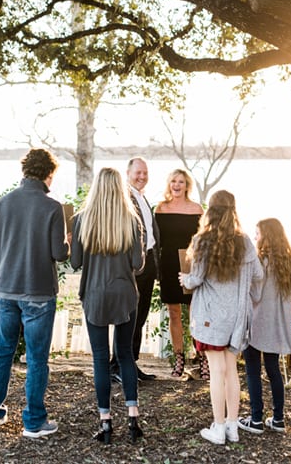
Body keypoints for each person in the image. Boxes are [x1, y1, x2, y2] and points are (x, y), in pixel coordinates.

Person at [0, 148, 68, 439]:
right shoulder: (53, 207)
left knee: (2, 353)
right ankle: (33, 422)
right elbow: (59, 253)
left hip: (5, 290)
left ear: (24, 171)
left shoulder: (1, 204)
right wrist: (66, 243)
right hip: (39, 292)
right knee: (36, 358)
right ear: (49, 174)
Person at [180, 190, 264, 445]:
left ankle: (218, 427)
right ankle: (232, 427)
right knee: (231, 372)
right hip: (237, 318)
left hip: (212, 318)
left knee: (217, 372)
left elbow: (196, 279)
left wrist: (185, 279)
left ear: (211, 210)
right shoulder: (246, 241)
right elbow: (258, 275)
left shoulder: (203, 240)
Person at [70, 167, 145, 444]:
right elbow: (138, 264)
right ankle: (133, 418)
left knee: (100, 358)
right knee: (125, 354)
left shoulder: (81, 220)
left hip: (95, 295)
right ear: (120, 189)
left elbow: (75, 262)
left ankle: (105, 423)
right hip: (125, 294)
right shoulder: (131, 219)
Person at [238, 218, 291, 435]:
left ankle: (255, 420)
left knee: (253, 371)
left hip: (256, 323)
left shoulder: (260, 260)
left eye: (257, 233)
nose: (255, 237)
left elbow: (255, 293)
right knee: (274, 371)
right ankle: (278, 419)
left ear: (266, 235)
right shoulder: (289, 261)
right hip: (276, 325)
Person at [110, 157, 159, 383]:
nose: (142, 177)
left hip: (148, 263)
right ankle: (118, 365)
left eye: (145, 173)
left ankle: (130, 363)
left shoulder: (142, 196)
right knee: (128, 316)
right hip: (132, 265)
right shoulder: (124, 197)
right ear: (127, 173)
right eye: (138, 173)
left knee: (140, 317)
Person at [154, 168, 205, 379]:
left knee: (196, 314)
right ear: (169, 184)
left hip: (191, 264)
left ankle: (203, 360)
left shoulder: (197, 209)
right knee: (174, 313)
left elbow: (202, 241)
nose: (177, 185)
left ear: (187, 186)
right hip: (168, 264)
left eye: (181, 182)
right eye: (173, 181)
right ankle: (179, 360)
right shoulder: (161, 208)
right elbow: (156, 242)